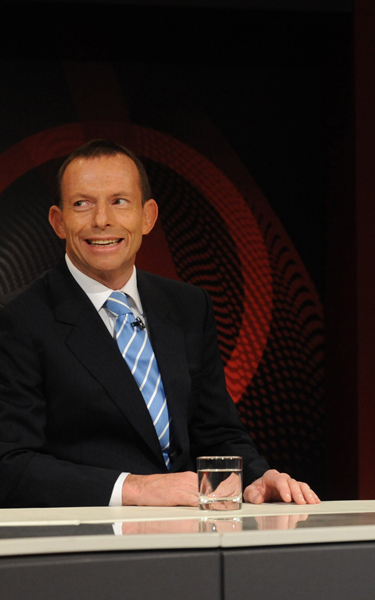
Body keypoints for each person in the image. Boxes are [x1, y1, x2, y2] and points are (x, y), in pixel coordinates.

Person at [0, 140, 320, 508]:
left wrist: (257, 478)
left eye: (119, 201)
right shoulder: (19, 319)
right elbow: (10, 464)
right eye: (82, 204)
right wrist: (135, 490)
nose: (101, 220)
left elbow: (216, 433)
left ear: (147, 216)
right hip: (87, 535)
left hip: (188, 530)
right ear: (58, 221)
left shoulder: (188, 306)